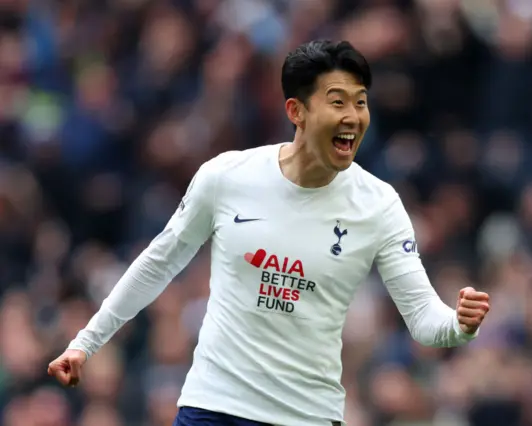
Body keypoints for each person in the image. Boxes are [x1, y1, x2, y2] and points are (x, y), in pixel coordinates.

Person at [48, 40, 491, 426]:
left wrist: (459, 324)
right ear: (296, 111)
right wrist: (87, 342)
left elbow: (423, 319)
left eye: (361, 102)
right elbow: (158, 263)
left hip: (306, 415)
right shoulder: (226, 176)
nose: (354, 116)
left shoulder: (379, 204)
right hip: (212, 408)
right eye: (338, 102)